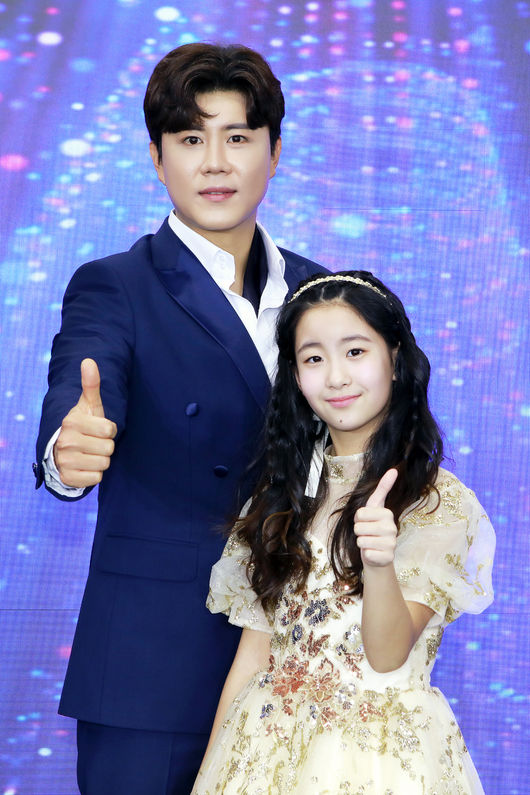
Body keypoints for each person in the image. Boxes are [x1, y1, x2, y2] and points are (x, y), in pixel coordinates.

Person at [34, 43, 326, 794]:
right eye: (191, 138)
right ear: (157, 158)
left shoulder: (323, 293)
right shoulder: (115, 285)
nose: (215, 162)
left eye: (238, 136)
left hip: (300, 664)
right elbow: (82, 386)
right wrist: (68, 450)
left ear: (275, 152)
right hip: (152, 665)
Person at [193, 271, 495, 794]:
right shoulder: (278, 497)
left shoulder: (435, 501)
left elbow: (388, 655)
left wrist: (378, 564)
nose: (335, 377)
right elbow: (254, 654)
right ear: (295, 376)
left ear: (395, 359)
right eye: (314, 358)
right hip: (263, 750)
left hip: (378, 759)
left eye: (355, 352)